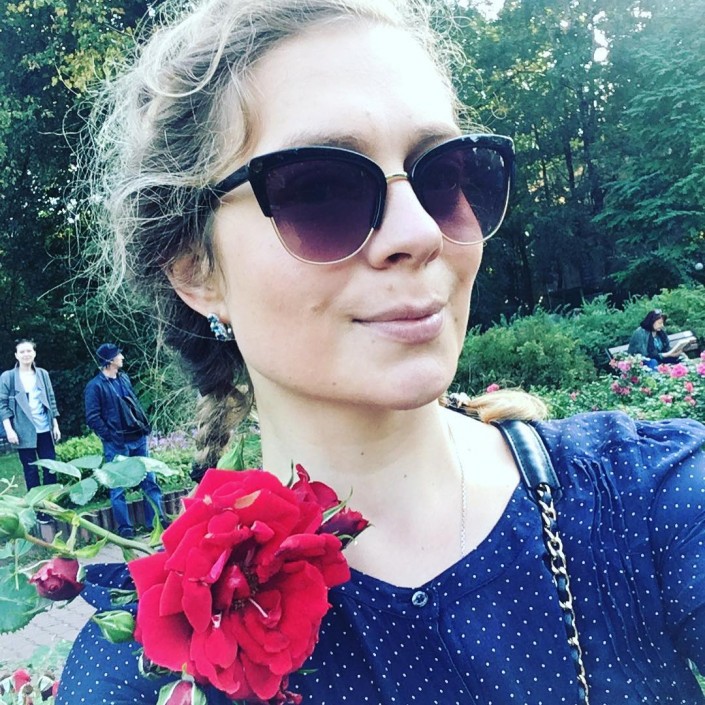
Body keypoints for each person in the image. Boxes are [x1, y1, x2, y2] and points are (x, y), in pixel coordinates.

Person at [57, 0, 705, 703]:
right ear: (195, 269)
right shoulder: (146, 668)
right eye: (320, 189)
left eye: (443, 175)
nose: (419, 232)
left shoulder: (645, 499)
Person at [84, 343, 168, 538]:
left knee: (149, 480)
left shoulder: (124, 378)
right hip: (117, 443)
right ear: (110, 360)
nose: (122, 357)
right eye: (118, 355)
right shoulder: (95, 386)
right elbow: (93, 417)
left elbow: (133, 405)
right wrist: (110, 436)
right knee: (117, 486)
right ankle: (125, 528)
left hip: (138, 439)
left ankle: (156, 520)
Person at [0, 339, 61, 498]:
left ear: (34, 353)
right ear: (16, 355)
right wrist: (9, 430)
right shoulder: (8, 377)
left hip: (44, 428)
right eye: (22, 352)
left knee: (50, 467)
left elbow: (51, 400)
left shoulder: (42, 374)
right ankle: (37, 504)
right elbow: (2, 405)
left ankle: (52, 502)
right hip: (22, 430)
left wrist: (55, 424)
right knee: (31, 469)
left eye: (29, 351)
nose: (26, 354)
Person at [627, 309, 695, 368]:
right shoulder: (640, 332)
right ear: (652, 322)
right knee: (653, 362)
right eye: (659, 323)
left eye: (662, 323)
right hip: (645, 362)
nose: (662, 325)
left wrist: (676, 351)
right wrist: (667, 354)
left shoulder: (660, 332)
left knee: (681, 357)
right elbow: (646, 355)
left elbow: (666, 348)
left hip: (661, 359)